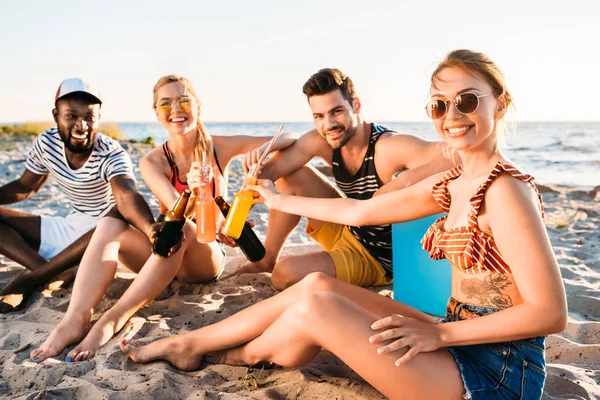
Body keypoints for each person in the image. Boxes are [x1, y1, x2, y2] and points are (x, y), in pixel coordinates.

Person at [121, 50, 567, 399]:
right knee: (316, 287)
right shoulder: (454, 181)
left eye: (467, 101)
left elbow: (550, 313)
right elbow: (359, 212)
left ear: (501, 103)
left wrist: (439, 332)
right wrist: (275, 198)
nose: (451, 117)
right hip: (458, 335)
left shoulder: (506, 190)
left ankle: (222, 352)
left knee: (317, 310)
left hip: (495, 375)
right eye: (439, 105)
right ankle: (206, 346)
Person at [28, 74, 296, 363]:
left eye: (183, 100)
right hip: (163, 251)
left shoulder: (220, 146)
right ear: (156, 113)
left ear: (198, 106)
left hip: (203, 256)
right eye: (165, 103)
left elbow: (291, 137)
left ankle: (113, 319)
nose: (176, 109)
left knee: (189, 232)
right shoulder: (152, 162)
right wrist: (194, 192)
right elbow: (174, 213)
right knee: (108, 224)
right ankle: (76, 319)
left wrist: (260, 150)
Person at [222, 68, 458, 290]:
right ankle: (266, 259)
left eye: (337, 112)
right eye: (319, 116)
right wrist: (235, 219)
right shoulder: (324, 139)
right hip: (348, 229)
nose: (329, 124)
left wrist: (404, 182)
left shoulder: (389, 147)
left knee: (285, 274)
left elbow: (459, 154)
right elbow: (265, 177)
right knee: (293, 176)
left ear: (355, 105)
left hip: (377, 257)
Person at [0, 78, 147, 306]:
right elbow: (26, 187)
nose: (82, 126)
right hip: (71, 226)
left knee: (118, 211)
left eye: (89, 117)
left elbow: (126, 196)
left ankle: (32, 278)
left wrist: (150, 228)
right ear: (56, 115)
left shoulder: (111, 153)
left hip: (106, 235)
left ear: (98, 118)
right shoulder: (46, 143)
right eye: (71, 116)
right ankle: (53, 272)